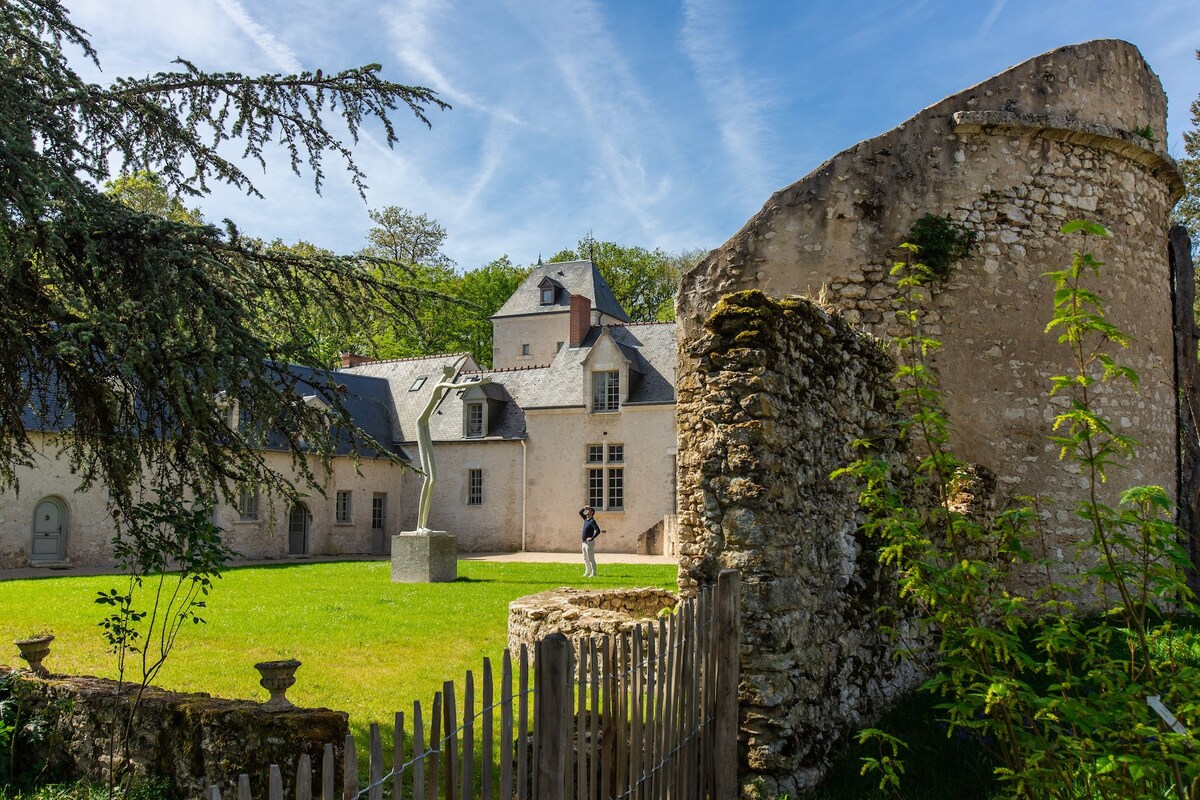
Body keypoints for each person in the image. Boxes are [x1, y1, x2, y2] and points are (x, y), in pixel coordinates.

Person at [579, 505, 600, 577]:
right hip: (584, 542)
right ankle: (587, 572)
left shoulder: (592, 521)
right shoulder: (586, 519)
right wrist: (584, 508)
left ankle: (593, 573)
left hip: (589, 543)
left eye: (589, 510)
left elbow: (598, 531)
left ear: (592, 512)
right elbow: (580, 512)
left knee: (591, 558)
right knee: (585, 559)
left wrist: (592, 537)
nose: (587, 511)